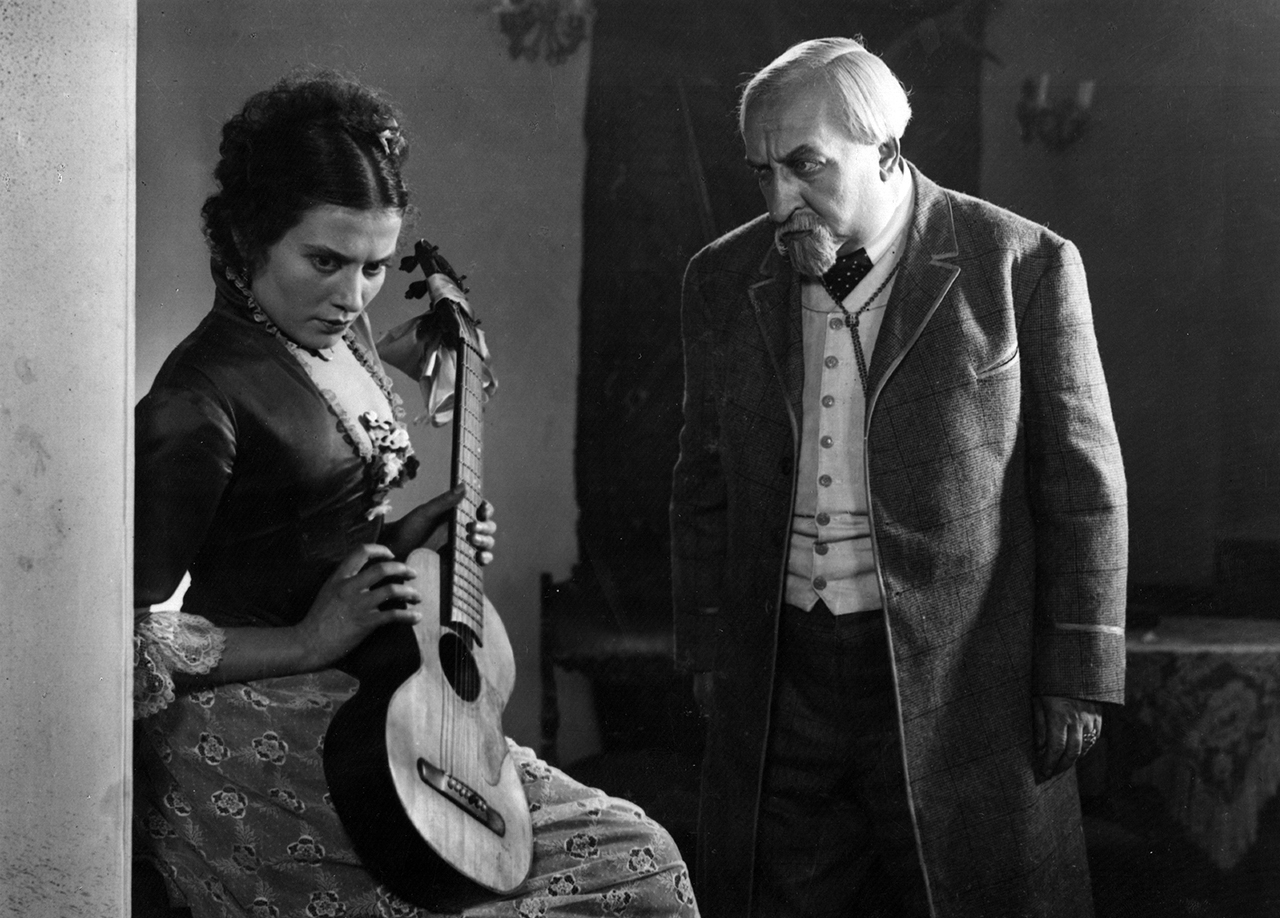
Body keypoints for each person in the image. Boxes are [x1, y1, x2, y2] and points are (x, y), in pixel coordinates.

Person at [133, 71, 699, 918]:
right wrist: (305, 639)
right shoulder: (196, 401)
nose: (351, 296)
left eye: (374, 267)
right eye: (324, 261)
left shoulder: (333, 336)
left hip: (385, 685)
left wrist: (414, 537)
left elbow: (307, 531)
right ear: (249, 238)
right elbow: (118, 637)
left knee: (640, 855)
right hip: (256, 724)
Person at [670, 37, 1127, 918]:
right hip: (783, 673)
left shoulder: (1020, 264)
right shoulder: (721, 277)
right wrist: (710, 649)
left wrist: (1077, 670)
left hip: (963, 676)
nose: (780, 199)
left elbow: (1083, 486)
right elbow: (703, 480)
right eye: (762, 172)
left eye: (806, 166)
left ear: (884, 149)